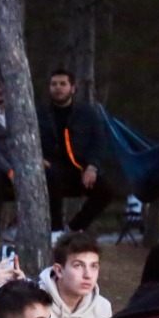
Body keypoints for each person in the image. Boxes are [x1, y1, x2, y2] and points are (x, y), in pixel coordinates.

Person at [36, 69, 115, 233]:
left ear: (72, 88)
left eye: (62, 84)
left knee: (107, 189)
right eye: (54, 84)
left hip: (80, 168)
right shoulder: (39, 114)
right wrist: (38, 158)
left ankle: (73, 229)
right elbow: (29, 139)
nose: (58, 88)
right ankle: (55, 232)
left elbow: (99, 142)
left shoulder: (87, 113)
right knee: (51, 178)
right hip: (51, 166)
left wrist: (92, 166)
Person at [39, 231, 112, 318]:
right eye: (78, 265)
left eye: (94, 266)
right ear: (59, 271)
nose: (88, 275)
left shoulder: (102, 308)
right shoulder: (35, 303)